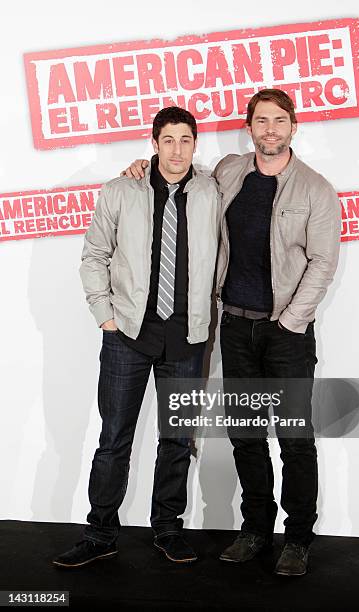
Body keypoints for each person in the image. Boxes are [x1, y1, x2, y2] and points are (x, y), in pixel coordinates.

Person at [123, 89, 341, 576]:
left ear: (293, 127)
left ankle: (298, 537)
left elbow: (324, 263)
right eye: (261, 120)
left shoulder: (315, 189)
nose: (270, 129)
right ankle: (256, 530)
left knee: (294, 439)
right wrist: (141, 167)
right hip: (236, 329)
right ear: (250, 127)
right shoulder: (228, 172)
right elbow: (182, 181)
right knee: (245, 435)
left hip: (287, 334)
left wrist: (288, 321)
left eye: (278, 121)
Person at [52, 106, 219, 568]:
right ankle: (100, 532)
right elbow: (94, 255)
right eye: (168, 140)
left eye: (186, 140)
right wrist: (105, 316)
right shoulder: (120, 190)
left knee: (177, 440)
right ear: (153, 143)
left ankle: (168, 529)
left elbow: (221, 254)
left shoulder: (211, 192)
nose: (177, 150)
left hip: (186, 337)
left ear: (194, 144)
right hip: (128, 333)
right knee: (114, 439)